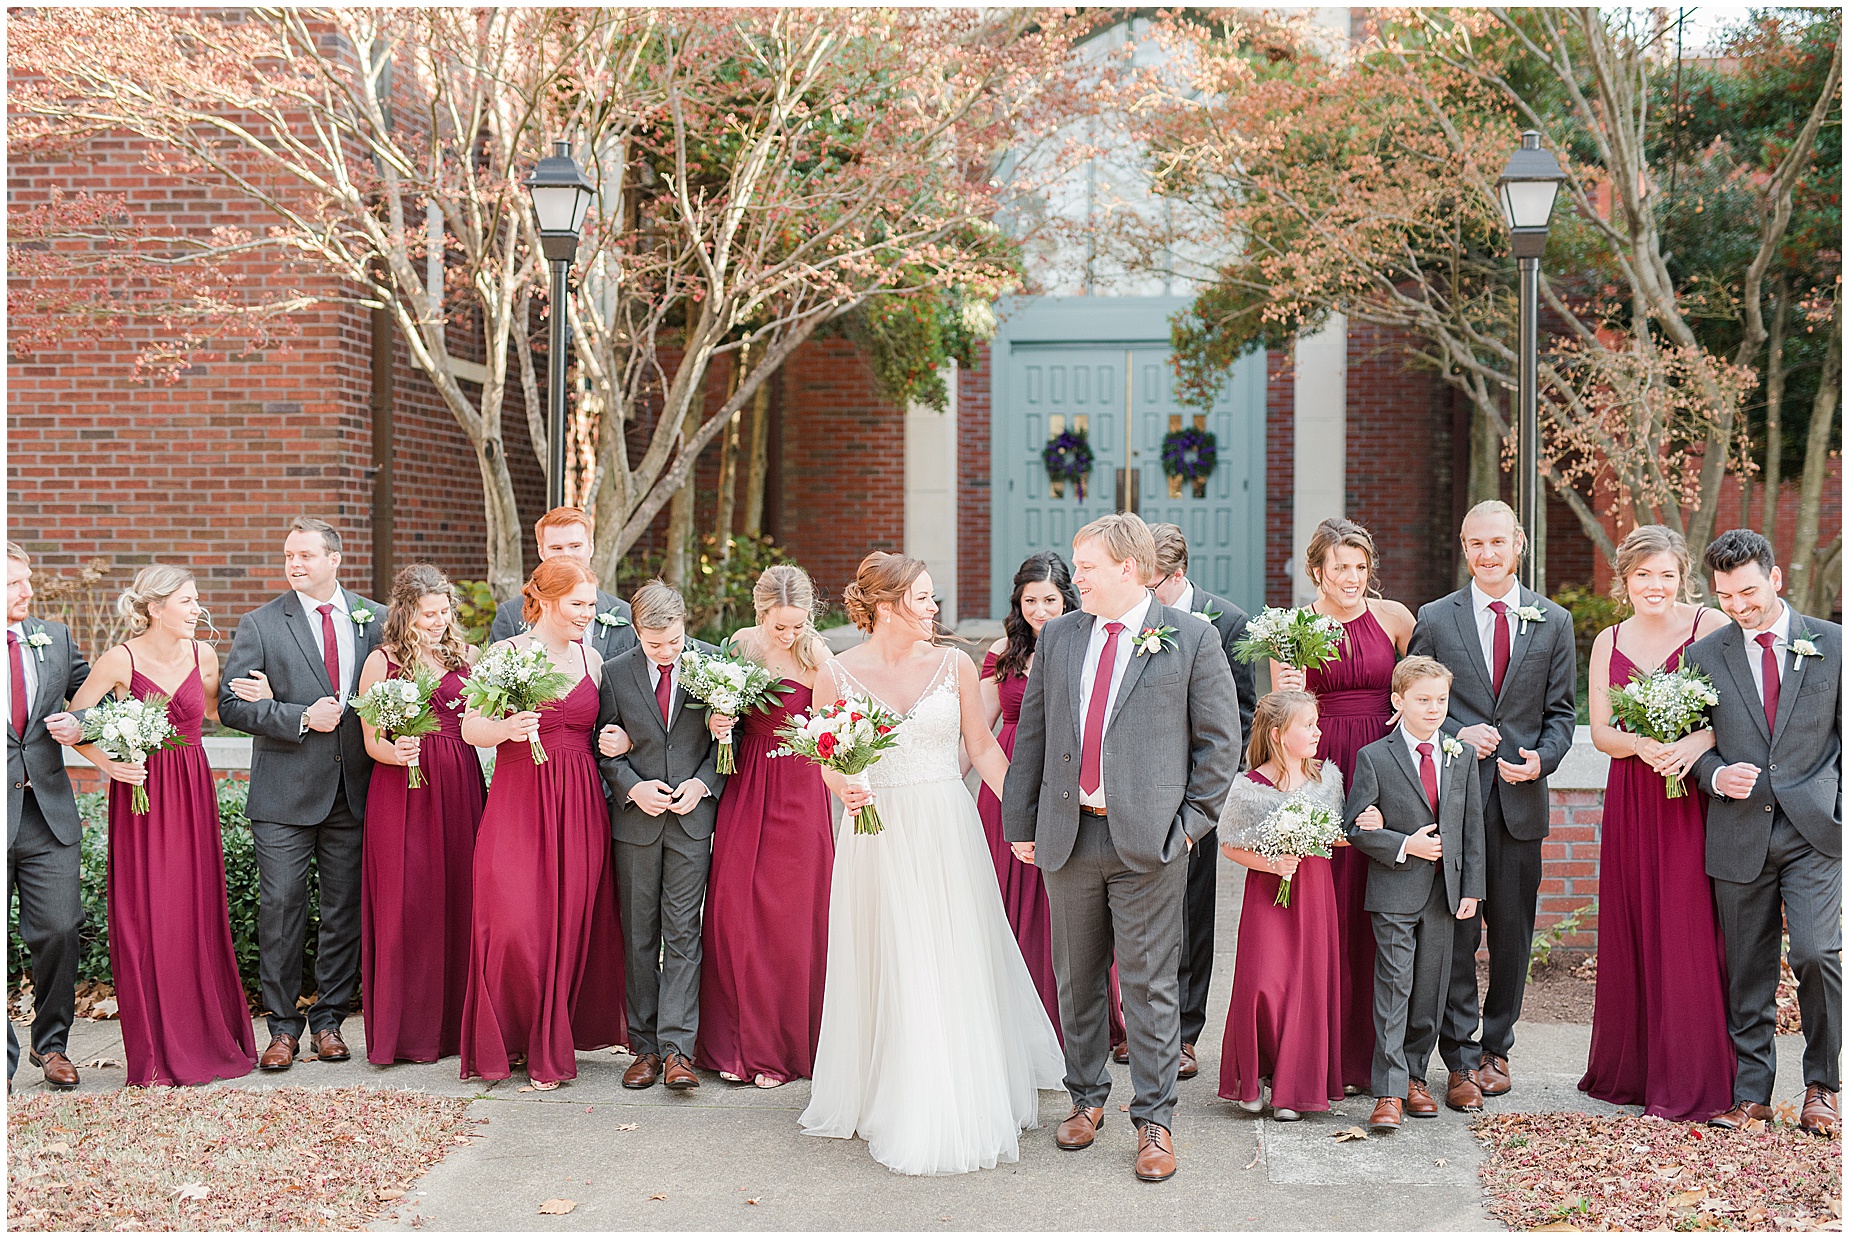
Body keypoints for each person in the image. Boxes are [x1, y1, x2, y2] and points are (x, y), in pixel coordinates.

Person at [801, 552, 1063, 1177]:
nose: (934, 609)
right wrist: (845, 785)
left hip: (946, 826)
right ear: (888, 607)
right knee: (889, 952)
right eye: (923, 599)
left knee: (947, 952)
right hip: (877, 832)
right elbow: (826, 754)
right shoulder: (835, 671)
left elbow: (982, 748)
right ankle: (884, 1087)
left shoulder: (958, 665)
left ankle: (954, 1084)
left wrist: (1025, 819)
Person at [1002, 513, 1242, 1184]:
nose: (1074, 577)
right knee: (1075, 980)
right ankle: (1084, 1099)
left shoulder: (1191, 638)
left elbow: (1219, 747)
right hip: (1068, 834)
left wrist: (1189, 826)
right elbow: (1033, 737)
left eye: (1085, 567)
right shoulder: (1060, 638)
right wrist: (1020, 822)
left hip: (1151, 842)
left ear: (1127, 570)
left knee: (1147, 986)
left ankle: (1155, 1119)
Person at [1408, 500, 1576, 1106]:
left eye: (1498, 542)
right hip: (1453, 803)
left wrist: (1543, 760)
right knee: (1456, 931)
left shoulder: (1552, 620)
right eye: (1476, 543)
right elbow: (1413, 702)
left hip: (1518, 802)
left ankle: (1497, 1047)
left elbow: (1562, 714)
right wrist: (1455, 731)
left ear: (1519, 544)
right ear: (1463, 546)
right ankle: (1457, 1055)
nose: (1487, 553)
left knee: (1512, 933)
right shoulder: (1435, 617)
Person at [70, 566, 256, 1086]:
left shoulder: (204, 655)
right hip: (142, 797)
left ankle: (206, 1038)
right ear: (155, 608)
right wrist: (108, 764)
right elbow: (74, 723)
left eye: (197, 600)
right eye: (187, 601)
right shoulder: (120, 659)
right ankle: (156, 1048)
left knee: (195, 908)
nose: (198, 609)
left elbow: (217, 712)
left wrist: (256, 694)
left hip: (193, 791)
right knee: (151, 913)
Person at [1685, 529, 1840, 1137]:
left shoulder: (1834, 644)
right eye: (1726, 597)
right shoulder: (1705, 657)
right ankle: (1752, 1094)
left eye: (1748, 591)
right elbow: (1689, 747)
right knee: (1746, 969)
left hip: (1813, 834)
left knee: (1816, 953)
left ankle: (1822, 1087)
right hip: (1739, 835)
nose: (1740, 607)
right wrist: (1716, 775)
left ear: (1776, 578)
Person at [1577, 525, 1733, 1121]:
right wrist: (1641, 744)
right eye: (1643, 575)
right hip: (1634, 794)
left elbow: (1738, 714)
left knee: (1686, 925)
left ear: (1683, 576)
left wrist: (1693, 742)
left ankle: (1692, 1076)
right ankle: (1638, 1072)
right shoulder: (1607, 640)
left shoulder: (1709, 628)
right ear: (1625, 580)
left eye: (1666, 574)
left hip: (1690, 794)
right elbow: (1600, 732)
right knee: (1638, 920)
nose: (1655, 586)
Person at [219, 517, 383, 1071]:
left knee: (343, 911)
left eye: (306, 556)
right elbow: (232, 707)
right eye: (289, 555)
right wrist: (297, 716)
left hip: (354, 790)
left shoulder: (376, 620)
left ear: (334, 559)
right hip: (284, 796)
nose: (294, 564)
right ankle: (282, 1028)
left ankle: (330, 1021)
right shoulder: (261, 624)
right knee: (282, 908)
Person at [459, 558, 626, 1089]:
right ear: (548, 601)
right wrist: (506, 726)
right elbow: (469, 729)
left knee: (566, 924)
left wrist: (618, 741)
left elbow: (613, 728)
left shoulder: (593, 659)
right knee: (513, 922)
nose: (587, 614)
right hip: (518, 799)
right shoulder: (506, 655)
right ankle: (506, 1035)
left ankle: (546, 1044)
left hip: (579, 803)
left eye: (591, 605)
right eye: (577, 604)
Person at [1272, 517, 1414, 1094]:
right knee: (1323, 907)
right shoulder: (1295, 628)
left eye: (1360, 567)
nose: (1351, 578)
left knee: (1375, 905)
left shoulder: (1396, 619)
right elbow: (1282, 713)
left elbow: (1423, 689)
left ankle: (1376, 1058)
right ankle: (1320, 1055)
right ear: (1316, 572)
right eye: (1340, 568)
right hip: (1324, 767)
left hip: (1383, 769)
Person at [978, 551, 1127, 1051]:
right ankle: (1017, 1025)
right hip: (1008, 783)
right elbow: (976, 733)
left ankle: (1077, 1025)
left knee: (1071, 909)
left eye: (1049, 599)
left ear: (1068, 598)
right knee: (1012, 903)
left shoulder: (1090, 645)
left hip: (1068, 782)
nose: (1040, 610)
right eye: (1030, 601)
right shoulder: (1003, 652)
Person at [696, 565, 836, 1089]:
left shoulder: (818, 656)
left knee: (790, 918)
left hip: (798, 788)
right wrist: (718, 722)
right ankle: (737, 1042)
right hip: (746, 780)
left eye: (797, 624)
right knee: (736, 909)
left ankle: (783, 1047)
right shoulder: (739, 645)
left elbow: (833, 731)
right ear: (760, 614)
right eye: (780, 625)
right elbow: (717, 712)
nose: (788, 634)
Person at [1342, 656, 1483, 1132]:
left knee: (1430, 988)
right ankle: (1387, 1090)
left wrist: (1473, 888)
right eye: (1423, 700)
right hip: (1394, 891)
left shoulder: (1459, 756)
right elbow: (1355, 827)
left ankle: (1416, 1077)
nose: (1433, 709)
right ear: (1398, 702)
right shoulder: (1374, 757)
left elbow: (1471, 827)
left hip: (1445, 892)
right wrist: (1406, 843)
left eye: (1441, 700)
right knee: (1394, 985)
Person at [354, 564, 486, 1066]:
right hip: (402, 790)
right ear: (405, 614)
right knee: (407, 903)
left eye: (443, 611)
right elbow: (371, 742)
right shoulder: (381, 662)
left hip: (459, 786)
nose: (437, 621)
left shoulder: (468, 658)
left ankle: (455, 1027)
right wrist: (398, 753)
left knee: (458, 897)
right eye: (427, 614)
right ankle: (404, 1033)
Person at [597, 581, 725, 1092]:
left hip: (692, 821)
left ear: (684, 624)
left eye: (673, 640)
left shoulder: (714, 665)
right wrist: (632, 786)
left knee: (683, 933)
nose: (666, 652)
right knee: (638, 935)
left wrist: (704, 783)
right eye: (655, 644)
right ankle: (644, 1048)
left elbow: (728, 739)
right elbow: (604, 745)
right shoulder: (615, 672)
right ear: (637, 633)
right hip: (637, 825)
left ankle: (678, 1052)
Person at [1147, 522, 1258, 1081]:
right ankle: (1142, 1024)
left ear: (1179, 575)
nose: (1145, 595)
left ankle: (1186, 1033)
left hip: (1195, 791)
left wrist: (1208, 791)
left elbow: (1239, 715)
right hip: (1140, 785)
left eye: (1154, 584)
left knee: (1193, 909)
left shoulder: (1228, 620)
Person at [1216, 691, 1345, 1121]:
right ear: (1277, 734)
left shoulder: (1327, 779)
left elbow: (1335, 836)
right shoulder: (1248, 787)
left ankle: (1292, 1089)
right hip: (1267, 894)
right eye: (1306, 725)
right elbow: (1230, 846)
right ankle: (1252, 1077)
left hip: (1312, 894)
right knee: (1262, 983)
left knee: (1304, 985)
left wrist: (1336, 835)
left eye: (1315, 723)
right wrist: (1271, 863)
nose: (1317, 731)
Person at [6, 543, 89, 1092]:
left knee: (61, 928)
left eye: (27, 579)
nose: (28, 591)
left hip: (47, 812)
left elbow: (94, 696)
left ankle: (51, 1043)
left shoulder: (53, 638)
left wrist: (82, 725)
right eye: (13, 583)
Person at [488, 507, 637, 660]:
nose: (567, 556)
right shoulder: (511, 614)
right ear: (541, 552)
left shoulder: (626, 614)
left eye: (575, 546)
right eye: (556, 548)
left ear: (591, 548)